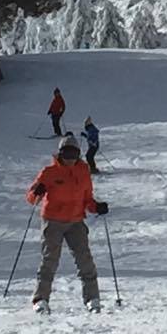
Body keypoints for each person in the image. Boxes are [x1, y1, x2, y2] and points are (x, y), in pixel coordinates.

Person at [26, 133, 109, 313]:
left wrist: (97, 207)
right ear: (60, 154)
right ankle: (40, 299)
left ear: (78, 154)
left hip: (75, 221)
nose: (70, 159)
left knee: (85, 260)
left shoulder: (83, 170)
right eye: (66, 154)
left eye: (73, 154)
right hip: (53, 221)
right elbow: (31, 198)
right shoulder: (49, 172)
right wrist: (37, 192)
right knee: (49, 260)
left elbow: (87, 199)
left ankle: (92, 298)